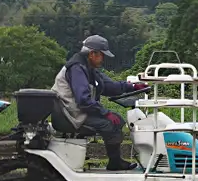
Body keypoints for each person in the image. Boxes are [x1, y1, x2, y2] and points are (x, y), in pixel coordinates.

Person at [53, 35, 145, 171]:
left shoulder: (88, 68)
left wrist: (132, 87)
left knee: (117, 120)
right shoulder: (77, 68)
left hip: (77, 112)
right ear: (92, 54)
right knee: (110, 123)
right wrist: (105, 113)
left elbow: (108, 86)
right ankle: (115, 163)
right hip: (71, 115)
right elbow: (83, 100)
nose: (103, 59)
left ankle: (115, 161)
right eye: (102, 55)